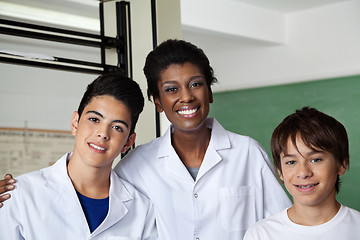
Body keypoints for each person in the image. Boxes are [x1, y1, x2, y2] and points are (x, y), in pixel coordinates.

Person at [0, 39, 291, 239]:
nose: (186, 96)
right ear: (158, 102)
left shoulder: (248, 154)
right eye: (171, 89)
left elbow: (284, 226)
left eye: (196, 85)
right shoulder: (134, 169)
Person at [0, 74, 157, 239]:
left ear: (128, 142)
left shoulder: (142, 210)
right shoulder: (19, 195)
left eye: (117, 127)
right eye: (94, 119)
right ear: (75, 123)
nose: (103, 134)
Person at [243, 107, 360, 240]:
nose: (303, 172)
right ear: (280, 171)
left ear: (341, 164)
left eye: (315, 160)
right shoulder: (261, 234)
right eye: (291, 162)